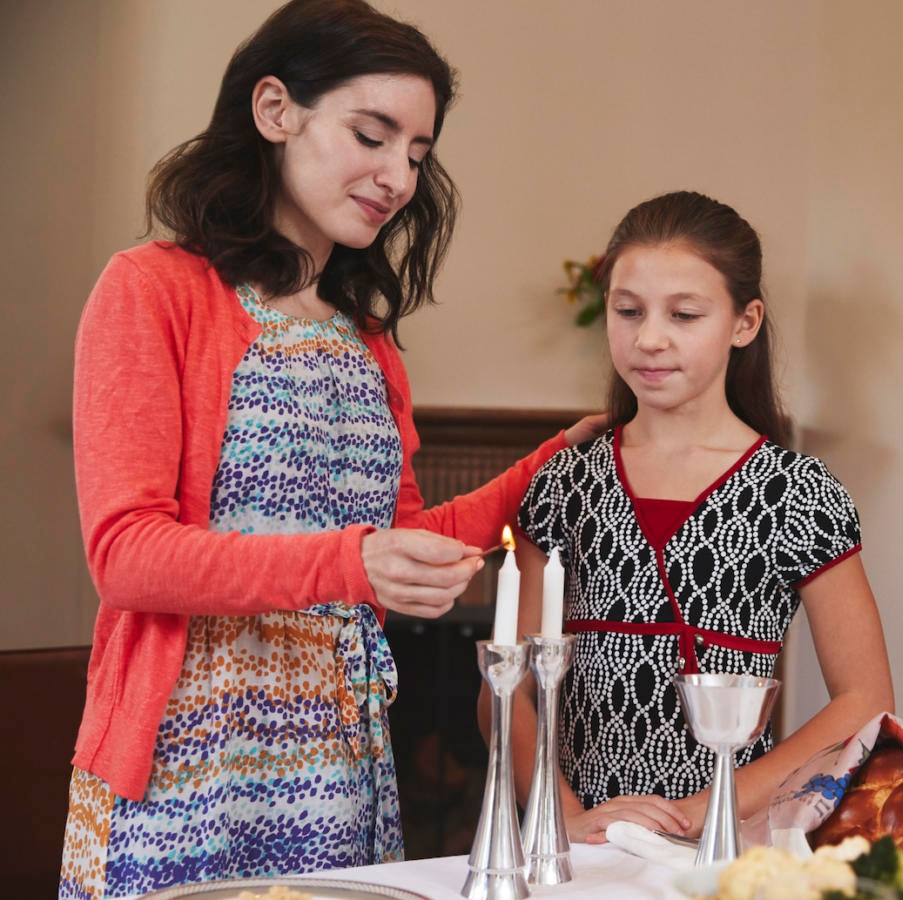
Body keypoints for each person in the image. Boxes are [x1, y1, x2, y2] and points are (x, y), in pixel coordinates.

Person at [60, 1, 604, 896]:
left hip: (340, 766)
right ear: (275, 111)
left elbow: (405, 539)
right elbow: (126, 555)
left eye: (417, 154)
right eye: (371, 135)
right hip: (187, 768)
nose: (397, 175)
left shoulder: (367, 335)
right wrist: (352, 563)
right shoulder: (152, 290)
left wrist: (548, 462)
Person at [499, 190, 896, 843]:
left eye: (683, 314)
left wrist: (705, 808)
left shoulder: (797, 493)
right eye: (627, 311)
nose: (648, 337)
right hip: (567, 845)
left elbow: (866, 700)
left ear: (744, 323)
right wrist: (562, 815)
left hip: (722, 845)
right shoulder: (563, 481)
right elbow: (505, 684)